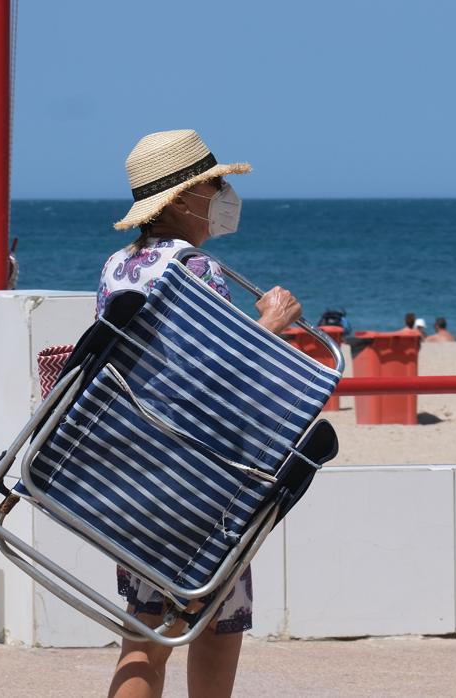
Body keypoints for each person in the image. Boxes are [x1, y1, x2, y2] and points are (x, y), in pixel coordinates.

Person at [99, 129, 302, 698]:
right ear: (184, 198)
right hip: (197, 478)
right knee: (207, 627)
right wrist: (269, 326)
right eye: (215, 185)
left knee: (148, 630)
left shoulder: (119, 266)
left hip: (136, 467)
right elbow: (215, 377)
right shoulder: (198, 270)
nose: (224, 195)